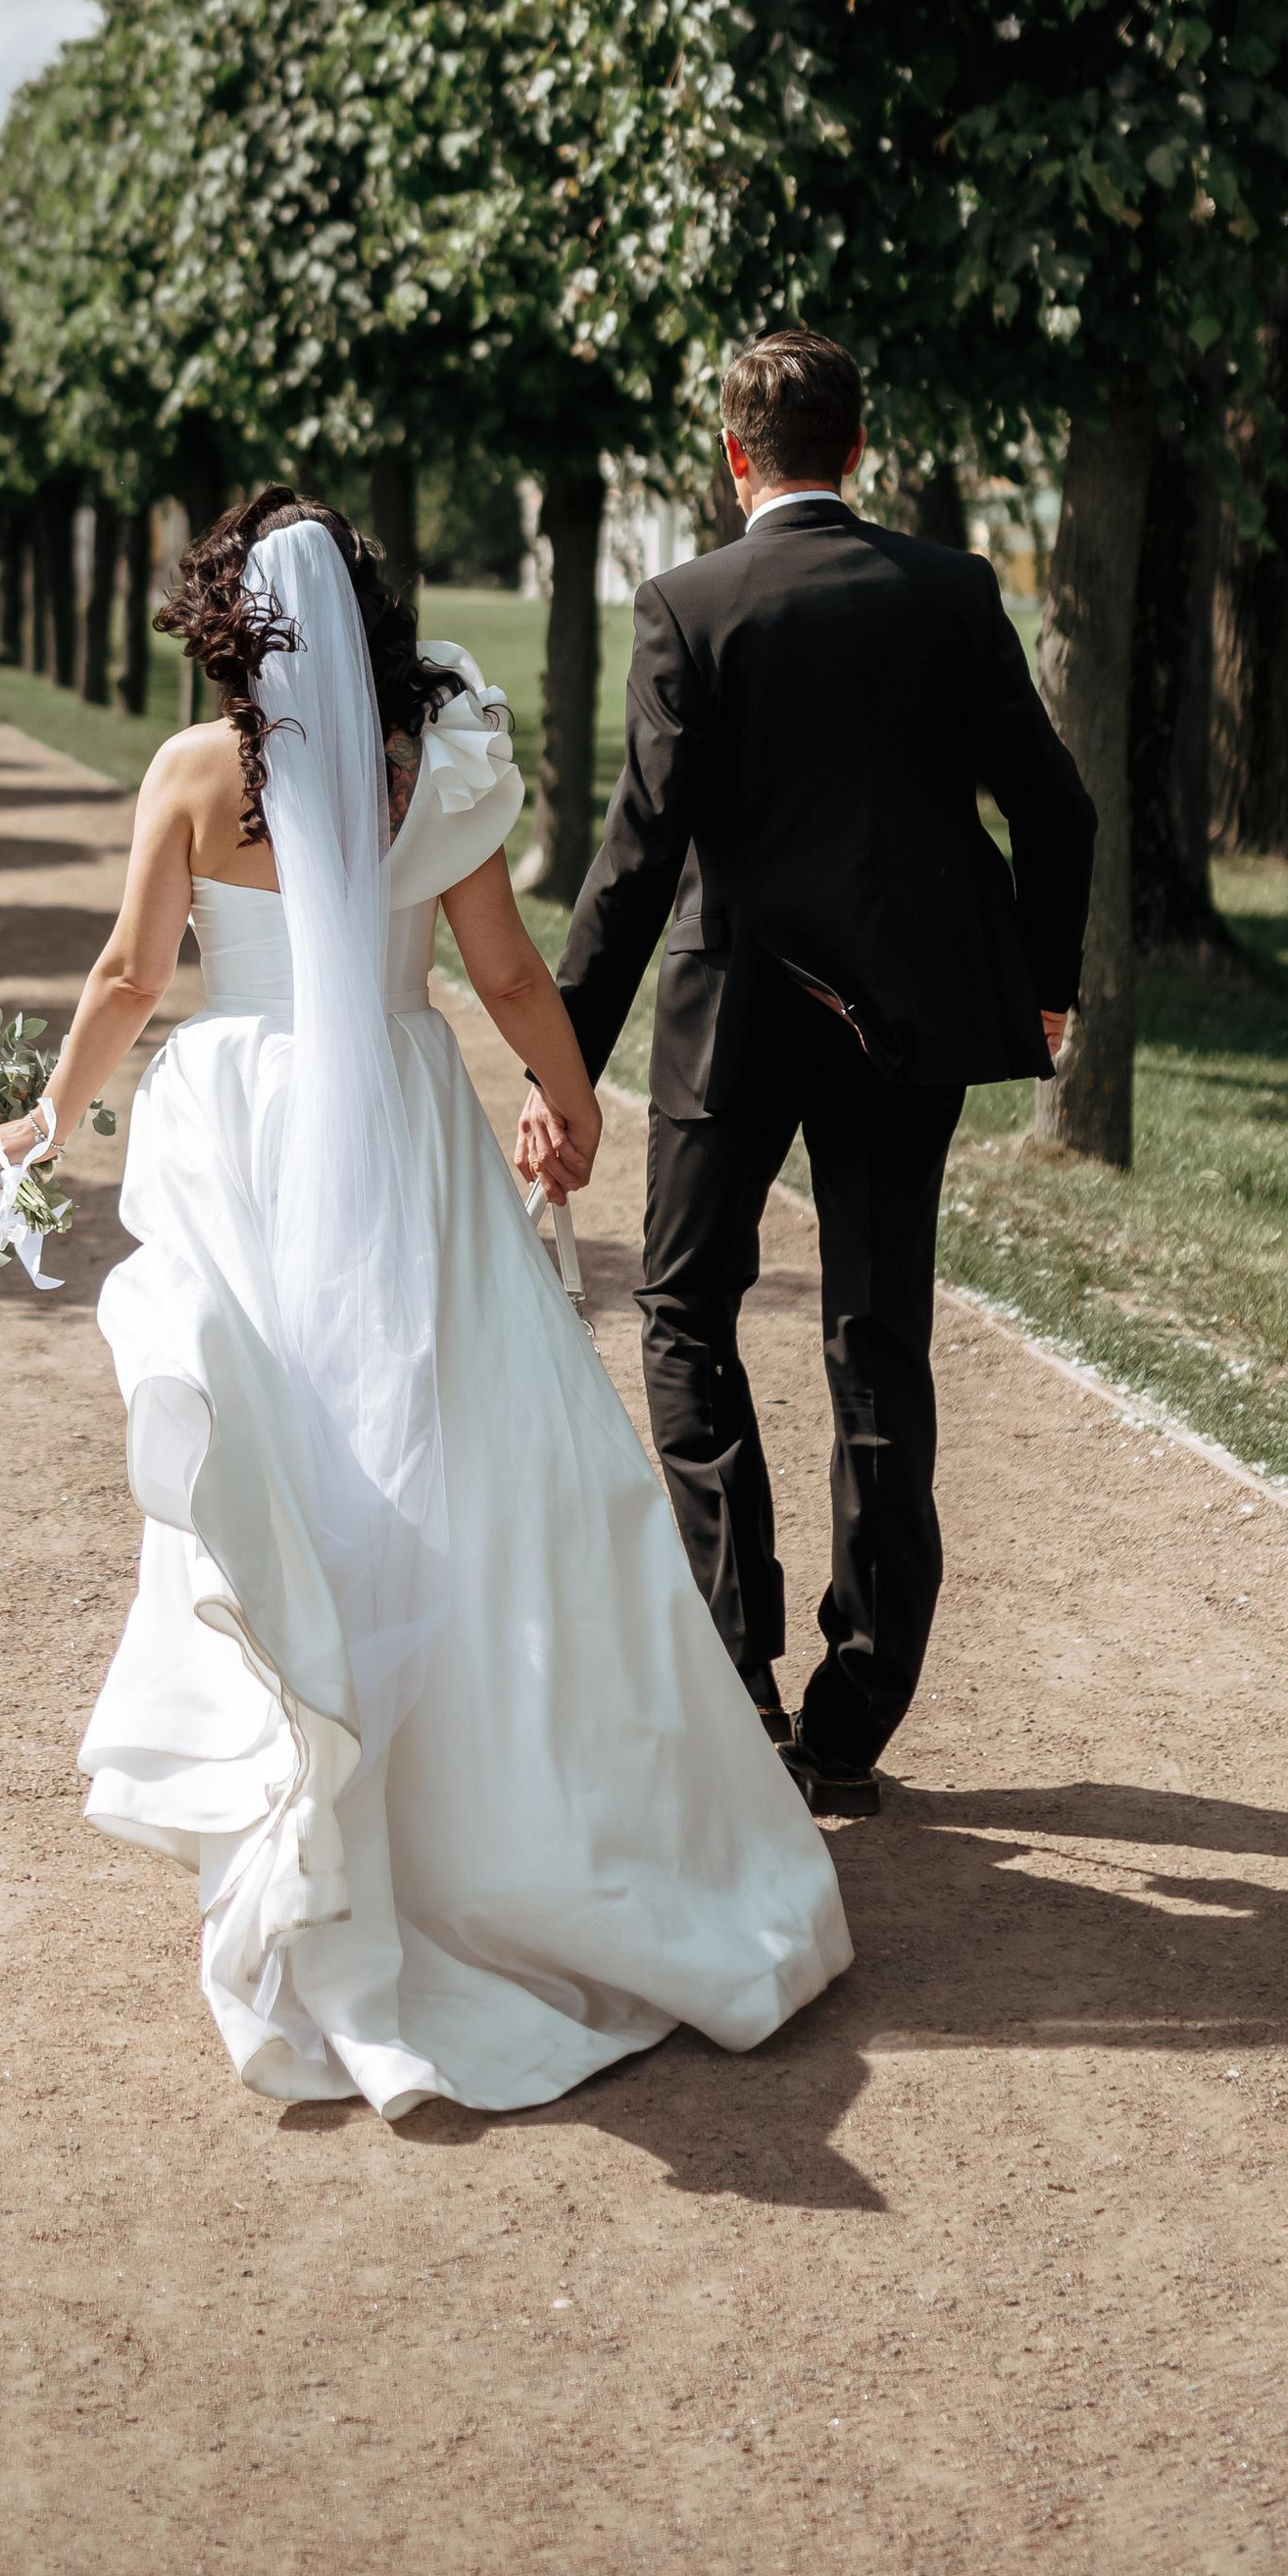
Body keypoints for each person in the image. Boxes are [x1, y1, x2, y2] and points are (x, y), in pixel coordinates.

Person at [0, 489, 849, 2118]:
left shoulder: (188, 774)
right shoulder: (424, 765)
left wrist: (42, 1120)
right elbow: (508, 974)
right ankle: (484, 1809)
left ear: (229, 617)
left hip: (241, 1124)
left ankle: (305, 1778)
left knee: (283, 1446)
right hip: (397, 1109)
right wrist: (572, 1098)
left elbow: (127, 980)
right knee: (461, 1443)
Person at [527, 333, 1096, 1822]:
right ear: (858, 449)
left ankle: (742, 1677)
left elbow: (636, 862)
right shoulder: (951, 594)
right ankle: (859, 1707)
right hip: (902, 1024)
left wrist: (560, 1067)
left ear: (734, 455)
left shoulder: (686, 606)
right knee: (875, 1337)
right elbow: (1059, 806)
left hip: (732, 1022)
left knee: (681, 1313)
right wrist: (1041, 992)